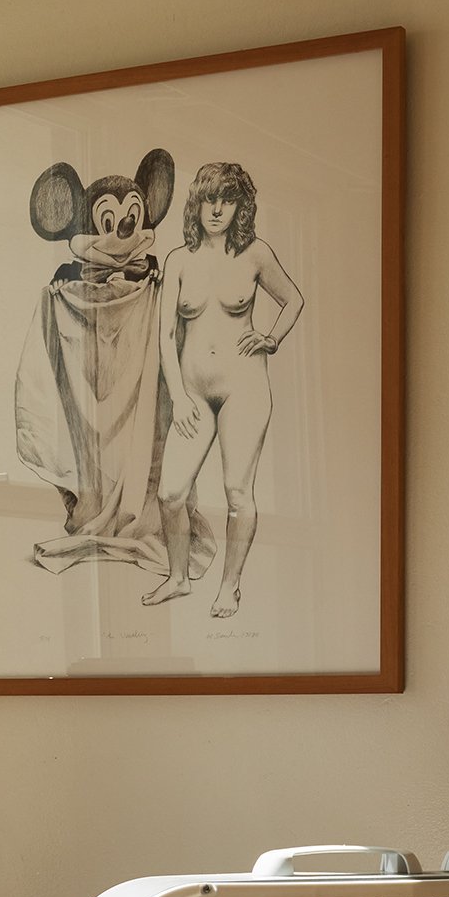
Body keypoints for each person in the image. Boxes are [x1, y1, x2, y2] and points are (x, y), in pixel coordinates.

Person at [142, 163, 303, 616]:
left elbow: (293, 299)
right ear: (197, 203)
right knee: (171, 494)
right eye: (210, 199)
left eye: (227, 200)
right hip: (191, 391)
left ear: (241, 207)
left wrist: (272, 337)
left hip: (244, 388)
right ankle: (177, 578)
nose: (217, 209)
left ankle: (230, 586)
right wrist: (177, 393)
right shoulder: (178, 259)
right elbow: (164, 337)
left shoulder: (256, 254)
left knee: (237, 493)